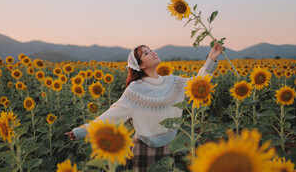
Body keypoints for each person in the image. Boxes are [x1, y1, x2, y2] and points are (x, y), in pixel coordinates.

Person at [65, 42, 224, 171]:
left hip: (170, 148)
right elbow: (112, 116)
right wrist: (83, 131)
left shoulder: (173, 82)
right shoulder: (136, 90)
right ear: (140, 65)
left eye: (151, 50)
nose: (152, 52)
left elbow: (198, 84)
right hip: (144, 149)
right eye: (146, 53)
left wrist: (211, 59)